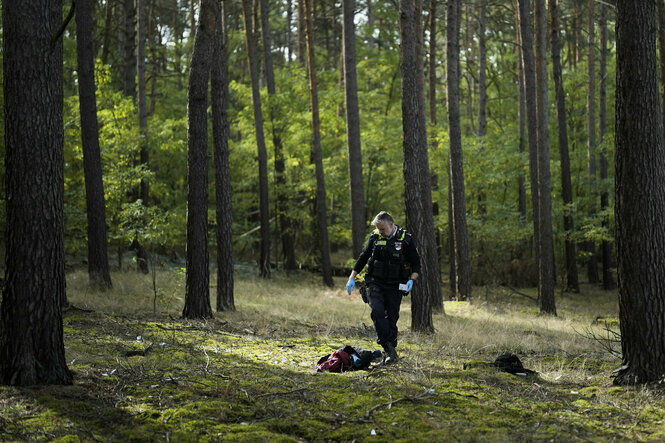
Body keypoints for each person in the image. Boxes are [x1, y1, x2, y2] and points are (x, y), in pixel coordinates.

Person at [345, 211, 421, 364]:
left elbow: (416, 264)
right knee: (377, 312)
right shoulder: (374, 237)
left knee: (392, 318)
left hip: (395, 285)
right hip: (375, 283)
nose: (380, 232)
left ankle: (391, 353)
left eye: (383, 229)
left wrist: (412, 280)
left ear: (391, 225)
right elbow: (363, 257)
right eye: (379, 229)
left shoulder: (405, 240)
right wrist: (352, 277)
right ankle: (387, 348)